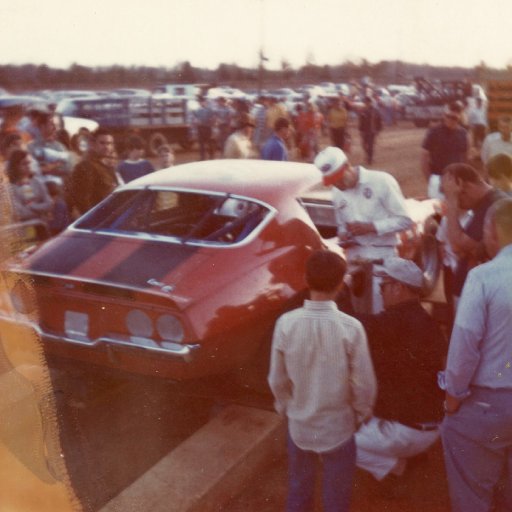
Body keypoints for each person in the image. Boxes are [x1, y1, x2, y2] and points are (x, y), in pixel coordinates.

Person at [268, 249, 376, 512]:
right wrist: (359, 413)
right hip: (337, 427)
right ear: (342, 284)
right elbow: (363, 384)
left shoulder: (286, 323)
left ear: (306, 279)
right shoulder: (350, 328)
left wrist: (287, 408)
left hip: (300, 426)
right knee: (336, 498)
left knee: (297, 491)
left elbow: (276, 379)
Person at [439, 197, 512, 512]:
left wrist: (453, 395)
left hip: (487, 402)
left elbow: (465, 342)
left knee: (472, 493)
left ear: (493, 230)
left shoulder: (484, 276)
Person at [354, 257, 445, 483]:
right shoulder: (427, 321)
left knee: (330, 440)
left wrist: (338, 289)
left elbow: (348, 323)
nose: (380, 292)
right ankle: (412, 456)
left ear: (398, 288)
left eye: (383, 286)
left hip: (404, 433)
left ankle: (397, 466)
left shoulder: (391, 323)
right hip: (433, 427)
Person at [314, 146, 413, 313]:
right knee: (356, 313)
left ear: (347, 166)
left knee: (378, 313)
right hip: (354, 261)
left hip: (381, 257)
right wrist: (344, 236)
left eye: (338, 178)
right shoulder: (337, 194)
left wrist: (372, 227)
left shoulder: (381, 181)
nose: (337, 185)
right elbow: (341, 226)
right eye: (332, 182)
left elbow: (405, 221)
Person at [441, 163, 506, 305]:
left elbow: (457, 245)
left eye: (456, 196)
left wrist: (451, 202)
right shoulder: (489, 202)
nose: (458, 205)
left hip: (480, 297)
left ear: (463, 186)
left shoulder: (493, 203)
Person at [66, 127, 119, 217]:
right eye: (102, 143)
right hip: (98, 220)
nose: (106, 147)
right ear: (93, 144)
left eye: (109, 143)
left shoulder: (107, 165)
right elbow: (83, 201)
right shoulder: (85, 166)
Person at [421, 102, 468, 199]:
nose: (450, 120)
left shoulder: (463, 134)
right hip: (438, 177)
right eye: (448, 116)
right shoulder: (434, 132)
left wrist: (463, 178)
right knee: (437, 211)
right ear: (444, 115)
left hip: (456, 179)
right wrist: (431, 180)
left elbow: (465, 157)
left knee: (456, 209)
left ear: (459, 118)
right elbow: (424, 156)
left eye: (454, 118)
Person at [6, 150, 53, 227]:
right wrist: (41, 212)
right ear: (15, 166)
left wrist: (32, 206)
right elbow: (20, 213)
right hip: (24, 227)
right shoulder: (10, 188)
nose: (28, 166)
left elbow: (49, 203)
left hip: (42, 225)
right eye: (24, 164)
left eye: (29, 163)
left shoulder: (37, 182)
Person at [358, 96, 382, 165]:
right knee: (364, 145)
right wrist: (360, 130)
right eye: (365, 102)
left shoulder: (375, 110)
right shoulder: (363, 110)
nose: (366, 103)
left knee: (370, 145)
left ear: (370, 102)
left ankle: (370, 159)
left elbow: (379, 120)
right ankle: (368, 156)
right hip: (365, 131)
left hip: (372, 131)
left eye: (368, 102)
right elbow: (361, 121)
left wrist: (378, 129)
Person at [193, 96, 216, 160]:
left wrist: (210, 122)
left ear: (205, 102)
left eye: (203, 102)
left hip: (207, 128)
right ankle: (202, 157)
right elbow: (195, 118)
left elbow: (213, 118)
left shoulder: (210, 110)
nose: (201, 103)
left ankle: (212, 156)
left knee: (210, 143)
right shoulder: (198, 110)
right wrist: (196, 121)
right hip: (200, 128)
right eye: (200, 102)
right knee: (201, 144)